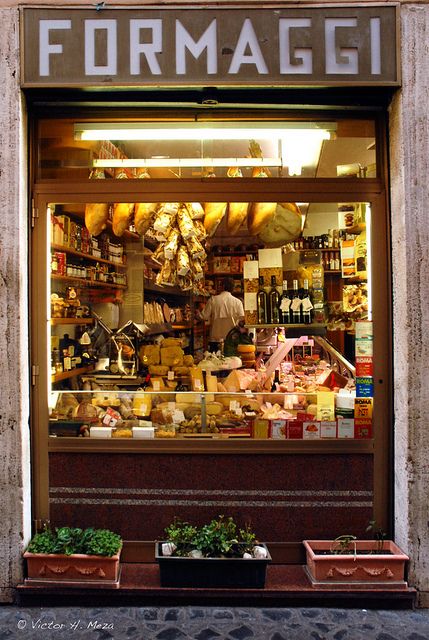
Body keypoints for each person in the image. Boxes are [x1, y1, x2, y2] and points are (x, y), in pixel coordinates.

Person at [201, 278, 245, 352]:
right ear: (233, 288)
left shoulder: (213, 300)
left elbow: (204, 316)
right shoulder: (238, 302)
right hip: (232, 339)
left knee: (214, 361)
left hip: (215, 339)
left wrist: (196, 313)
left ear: (222, 286)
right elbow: (242, 320)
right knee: (232, 361)